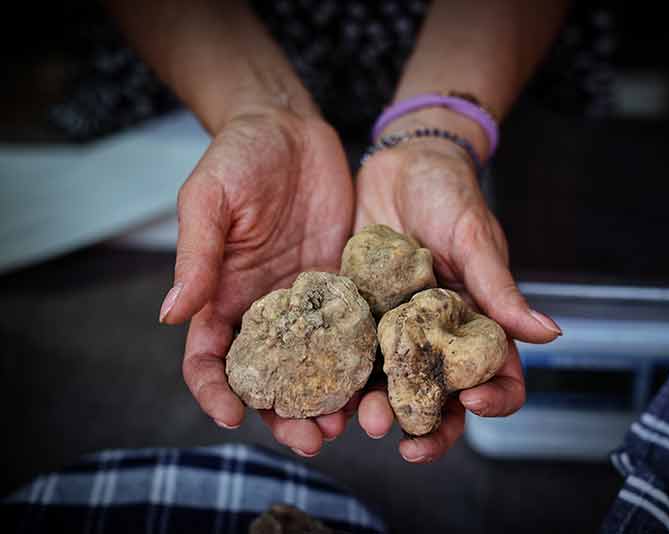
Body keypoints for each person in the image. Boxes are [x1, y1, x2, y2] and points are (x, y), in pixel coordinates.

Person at [108, 0, 570, 463]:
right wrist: (261, 112)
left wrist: (435, 138)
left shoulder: (407, 308)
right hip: (211, 50)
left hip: (486, 53)